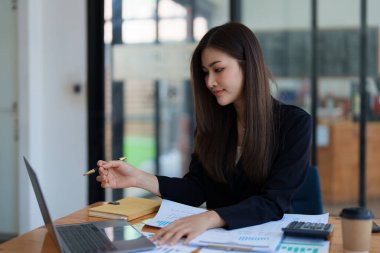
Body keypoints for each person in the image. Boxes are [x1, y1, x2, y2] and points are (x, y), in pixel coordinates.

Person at [96, 22, 311, 246]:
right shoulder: (212, 126)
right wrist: (139, 178)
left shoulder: (294, 124)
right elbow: (196, 190)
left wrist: (209, 218)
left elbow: (274, 202)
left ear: (248, 65)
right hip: (212, 243)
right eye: (205, 73)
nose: (209, 82)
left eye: (218, 69)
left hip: (267, 242)